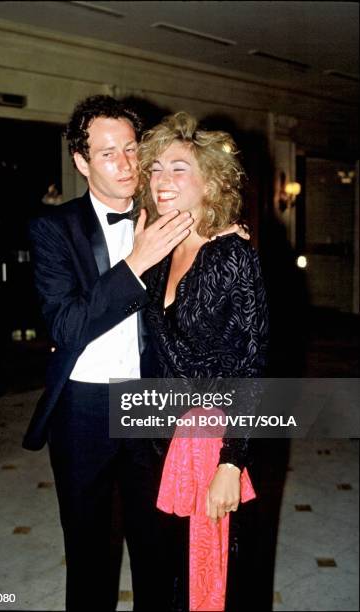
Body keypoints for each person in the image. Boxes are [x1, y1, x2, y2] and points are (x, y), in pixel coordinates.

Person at [22, 95, 195, 612]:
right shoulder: (53, 229)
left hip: (152, 406)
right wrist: (136, 264)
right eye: (106, 153)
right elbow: (68, 324)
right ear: (81, 162)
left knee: (158, 551)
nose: (125, 164)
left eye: (131, 148)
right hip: (82, 410)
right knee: (89, 553)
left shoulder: (171, 217)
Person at [136, 111, 269, 610]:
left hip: (212, 444)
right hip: (160, 440)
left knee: (213, 578)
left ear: (210, 182)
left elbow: (253, 366)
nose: (162, 180)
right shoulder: (160, 248)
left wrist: (233, 462)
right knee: (170, 571)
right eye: (156, 169)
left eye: (178, 168)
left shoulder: (233, 254)